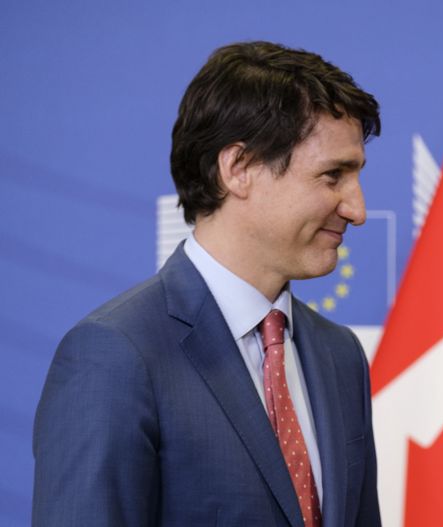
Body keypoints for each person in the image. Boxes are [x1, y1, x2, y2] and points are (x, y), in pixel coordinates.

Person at [33, 41, 382, 527]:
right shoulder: (116, 353)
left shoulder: (340, 355)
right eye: (333, 176)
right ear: (238, 169)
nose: (357, 209)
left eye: (356, 175)